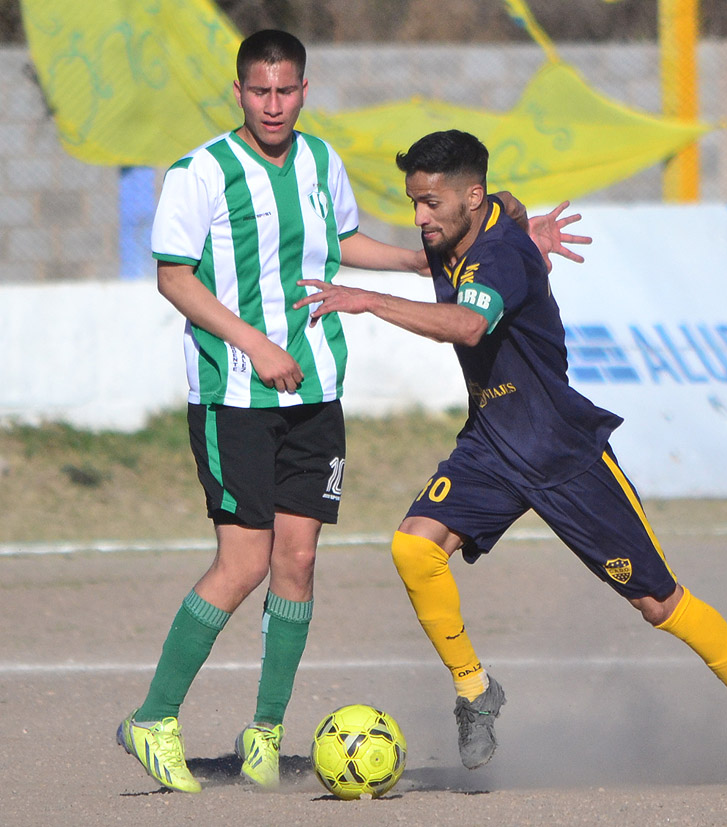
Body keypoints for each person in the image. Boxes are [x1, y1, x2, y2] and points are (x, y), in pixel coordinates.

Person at [116, 31, 585, 794]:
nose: (274, 104)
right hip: (235, 390)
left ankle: (265, 733)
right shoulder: (199, 173)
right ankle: (154, 716)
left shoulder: (319, 162)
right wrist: (254, 344)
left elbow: (343, 245)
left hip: (316, 389)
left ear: (304, 90)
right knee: (243, 564)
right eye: (260, 91)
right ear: (239, 94)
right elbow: (175, 279)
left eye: (287, 90)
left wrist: (469, 245)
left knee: (297, 561)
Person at [294, 129, 727, 787]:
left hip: (560, 448)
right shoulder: (485, 217)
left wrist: (367, 298)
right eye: (414, 201)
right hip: (492, 443)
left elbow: (469, 325)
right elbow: (505, 197)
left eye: (430, 203)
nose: (419, 218)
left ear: (465, 198)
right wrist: (526, 222)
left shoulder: (499, 257)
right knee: (414, 547)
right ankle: (476, 690)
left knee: (658, 601)